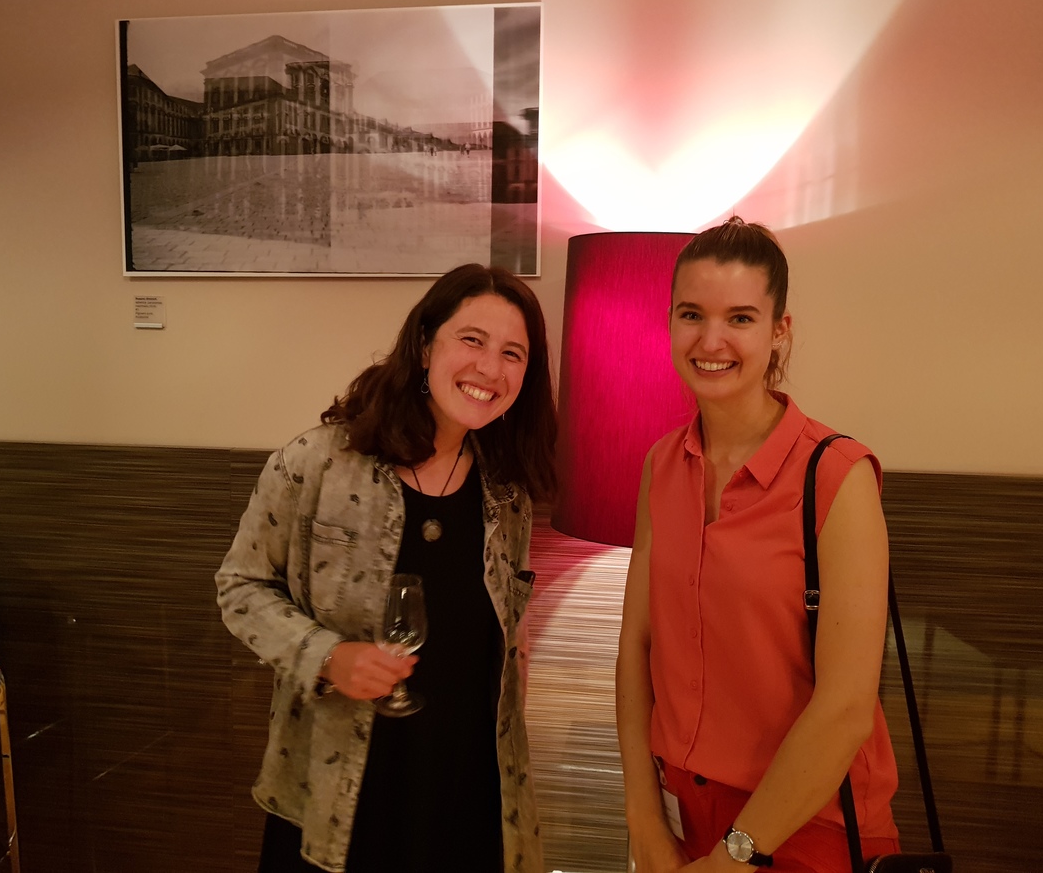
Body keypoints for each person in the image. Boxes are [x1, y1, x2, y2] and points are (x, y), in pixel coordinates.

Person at [216, 263, 556, 873]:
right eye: (472, 340)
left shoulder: (507, 492)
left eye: (513, 354)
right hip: (338, 788)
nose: (490, 368)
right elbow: (240, 587)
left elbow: (507, 642)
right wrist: (327, 656)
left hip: (464, 785)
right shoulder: (318, 463)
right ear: (425, 345)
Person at [615, 217, 901, 872]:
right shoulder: (662, 464)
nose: (710, 340)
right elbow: (637, 645)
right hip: (682, 817)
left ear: (779, 331)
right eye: (691, 314)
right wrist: (643, 818)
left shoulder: (837, 475)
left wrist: (735, 855)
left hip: (806, 824)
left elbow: (847, 708)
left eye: (740, 318)